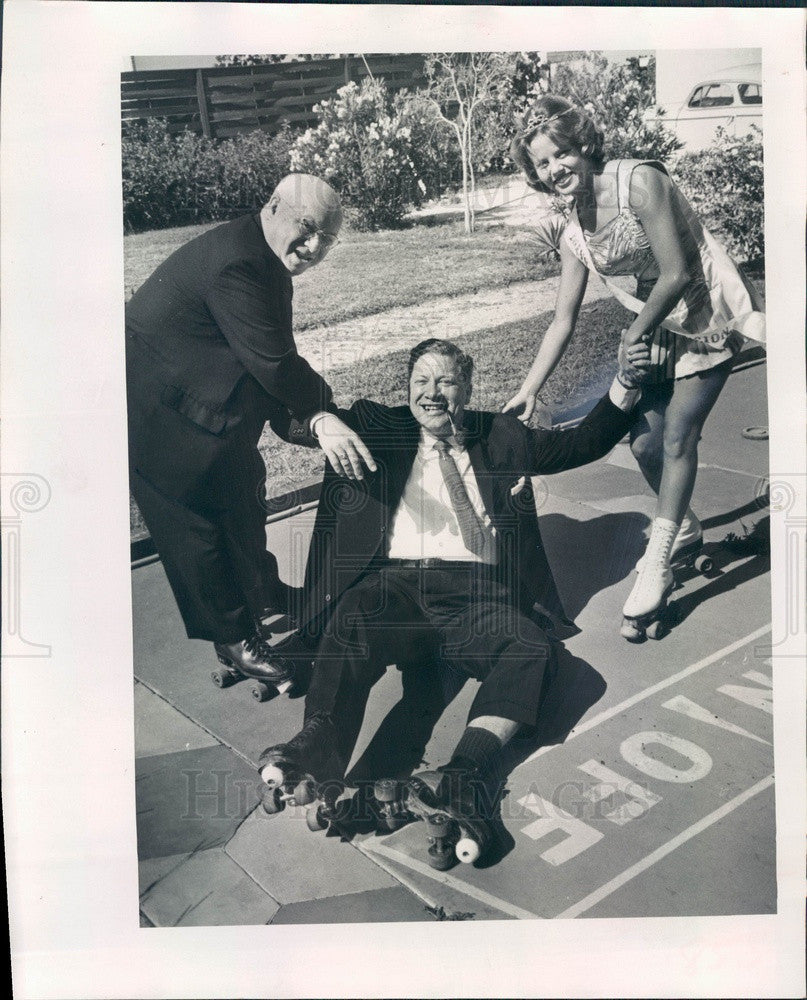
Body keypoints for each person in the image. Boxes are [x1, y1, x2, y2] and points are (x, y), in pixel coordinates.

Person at [257, 336, 649, 855]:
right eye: (421, 381)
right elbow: (287, 420)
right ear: (407, 389)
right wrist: (323, 424)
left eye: (445, 381)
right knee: (353, 615)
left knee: (530, 649)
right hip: (397, 586)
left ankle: (464, 777)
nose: (432, 393)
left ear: (467, 388)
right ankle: (313, 752)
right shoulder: (380, 425)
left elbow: (582, 445)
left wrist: (625, 381)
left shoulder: (500, 434)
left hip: (477, 594)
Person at [506, 95, 765, 639]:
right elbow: (562, 319)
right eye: (543, 164)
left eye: (561, 155)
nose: (555, 170)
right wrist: (530, 388)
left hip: (701, 310)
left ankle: (659, 562)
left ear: (583, 145)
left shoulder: (640, 182)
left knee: (676, 440)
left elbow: (673, 273)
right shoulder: (573, 228)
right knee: (643, 445)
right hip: (653, 327)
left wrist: (632, 334)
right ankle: (685, 527)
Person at [126, 173, 375, 689]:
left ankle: (260, 589)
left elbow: (265, 360)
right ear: (273, 207)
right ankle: (237, 640)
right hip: (160, 414)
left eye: (326, 240)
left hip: (205, 393)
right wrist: (323, 416)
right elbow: (276, 365)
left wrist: (314, 416)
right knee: (198, 525)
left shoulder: (263, 257)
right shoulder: (237, 262)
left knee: (242, 493)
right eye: (307, 229)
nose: (313, 247)